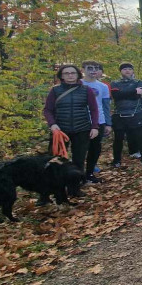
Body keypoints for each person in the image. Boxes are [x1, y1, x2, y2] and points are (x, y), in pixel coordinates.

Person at [43, 64, 100, 197]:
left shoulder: (86, 90)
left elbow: (94, 109)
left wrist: (94, 126)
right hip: (60, 130)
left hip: (82, 129)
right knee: (55, 160)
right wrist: (52, 124)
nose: (70, 75)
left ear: (77, 74)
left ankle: (75, 189)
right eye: (66, 73)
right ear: (61, 76)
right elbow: (47, 110)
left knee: (78, 160)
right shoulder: (55, 91)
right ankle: (51, 191)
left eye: (72, 73)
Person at [109, 63, 142, 168]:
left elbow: (136, 96)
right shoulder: (114, 83)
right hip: (119, 114)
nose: (127, 71)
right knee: (118, 139)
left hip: (136, 113)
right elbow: (116, 96)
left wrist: (127, 93)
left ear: (133, 71)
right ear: (120, 71)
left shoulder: (138, 82)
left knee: (141, 137)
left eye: (129, 69)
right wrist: (133, 91)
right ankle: (116, 160)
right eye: (124, 69)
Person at [81, 61, 112, 183]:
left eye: (96, 68)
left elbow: (106, 106)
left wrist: (108, 123)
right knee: (81, 149)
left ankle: (89, 173)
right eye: (90, 68)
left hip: (99, 121)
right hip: (81, 121)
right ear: (83, 70)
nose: (93, 70)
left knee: (95, 148)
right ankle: (78, 174)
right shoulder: (79, 84)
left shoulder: (103, 86)